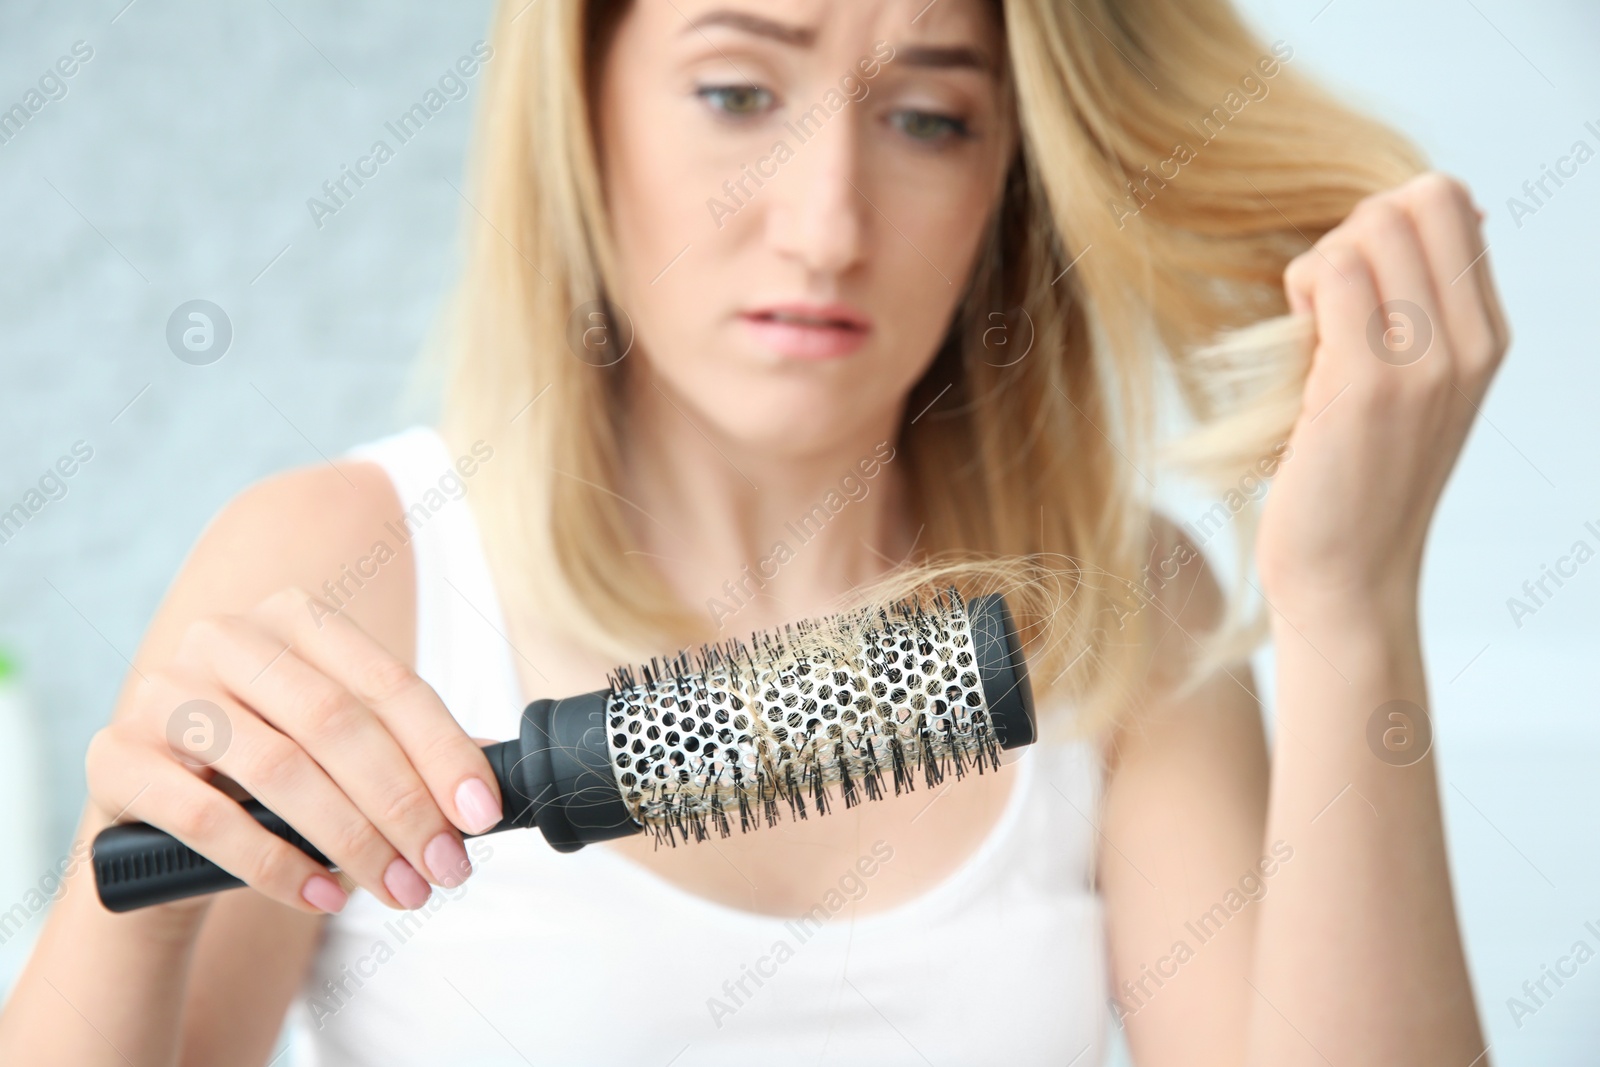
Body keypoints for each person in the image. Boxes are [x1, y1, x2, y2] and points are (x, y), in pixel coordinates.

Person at [0, 0, 1508, 1063]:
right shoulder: (345, 565)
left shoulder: (1122, 612)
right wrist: (122, 896)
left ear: (1014, 170)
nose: (827, 221)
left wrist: (1353, 601)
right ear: (581, 99)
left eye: (929, 115)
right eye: (737, 90)